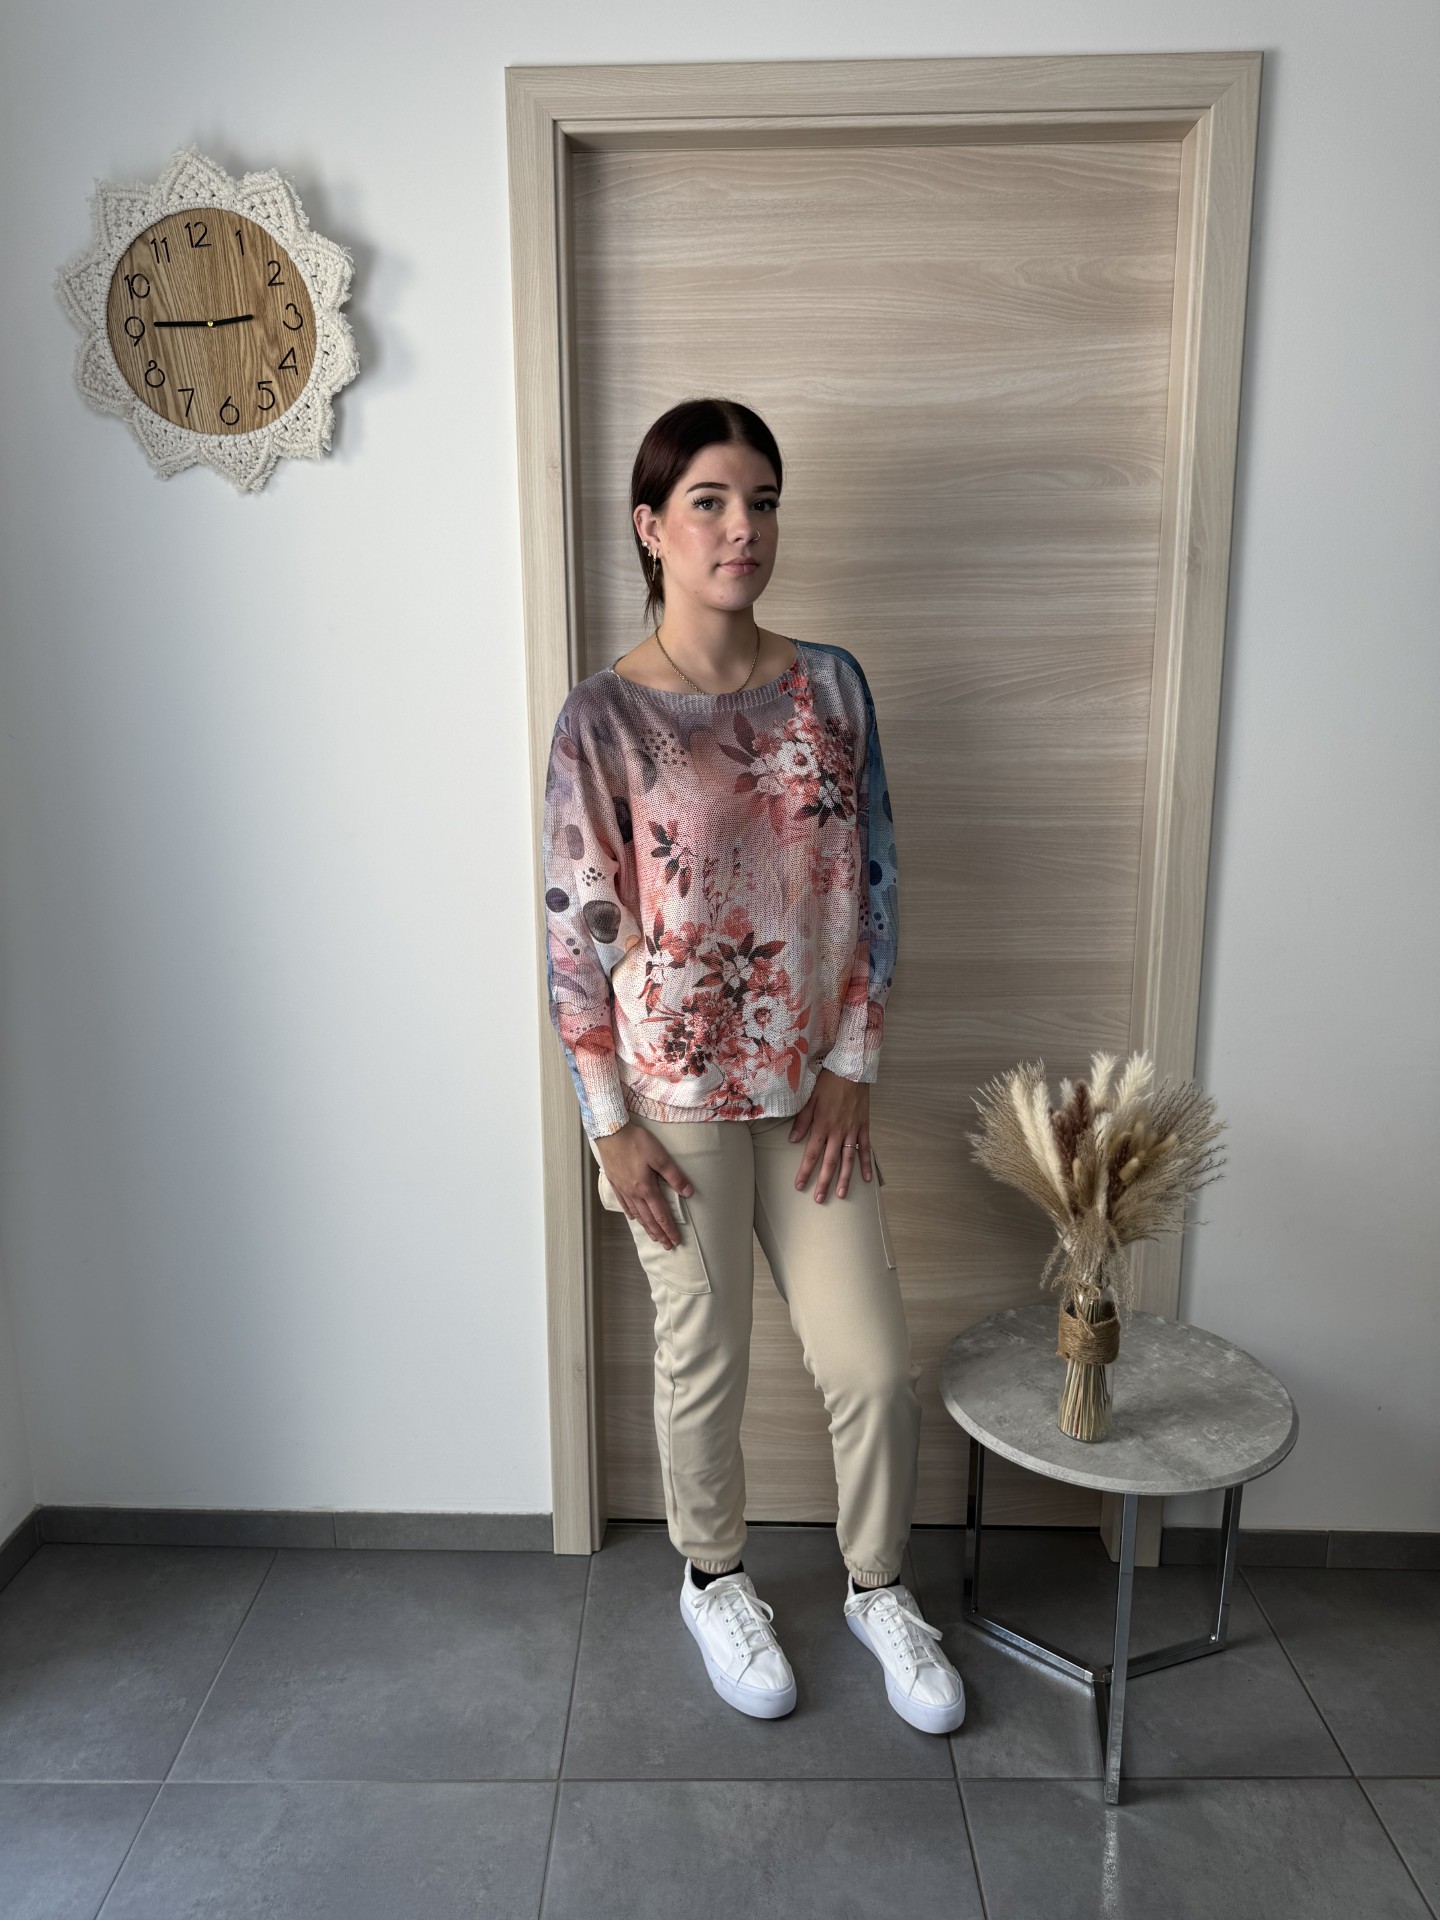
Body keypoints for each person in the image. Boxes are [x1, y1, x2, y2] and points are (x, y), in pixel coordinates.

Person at [540, 396, 964, 1735]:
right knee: (704, 1362)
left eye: (763, 501)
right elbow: (576, 931)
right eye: (711, 502)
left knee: (873, 1365)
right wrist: (607, 1123)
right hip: (670, 1099)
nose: (743, 528)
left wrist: (855, 1060)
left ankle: (879, 1587)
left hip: (811, 1093)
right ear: (650, 527)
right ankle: (714, 1578)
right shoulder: (605, 718)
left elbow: (875, 878)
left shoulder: (831, 687)